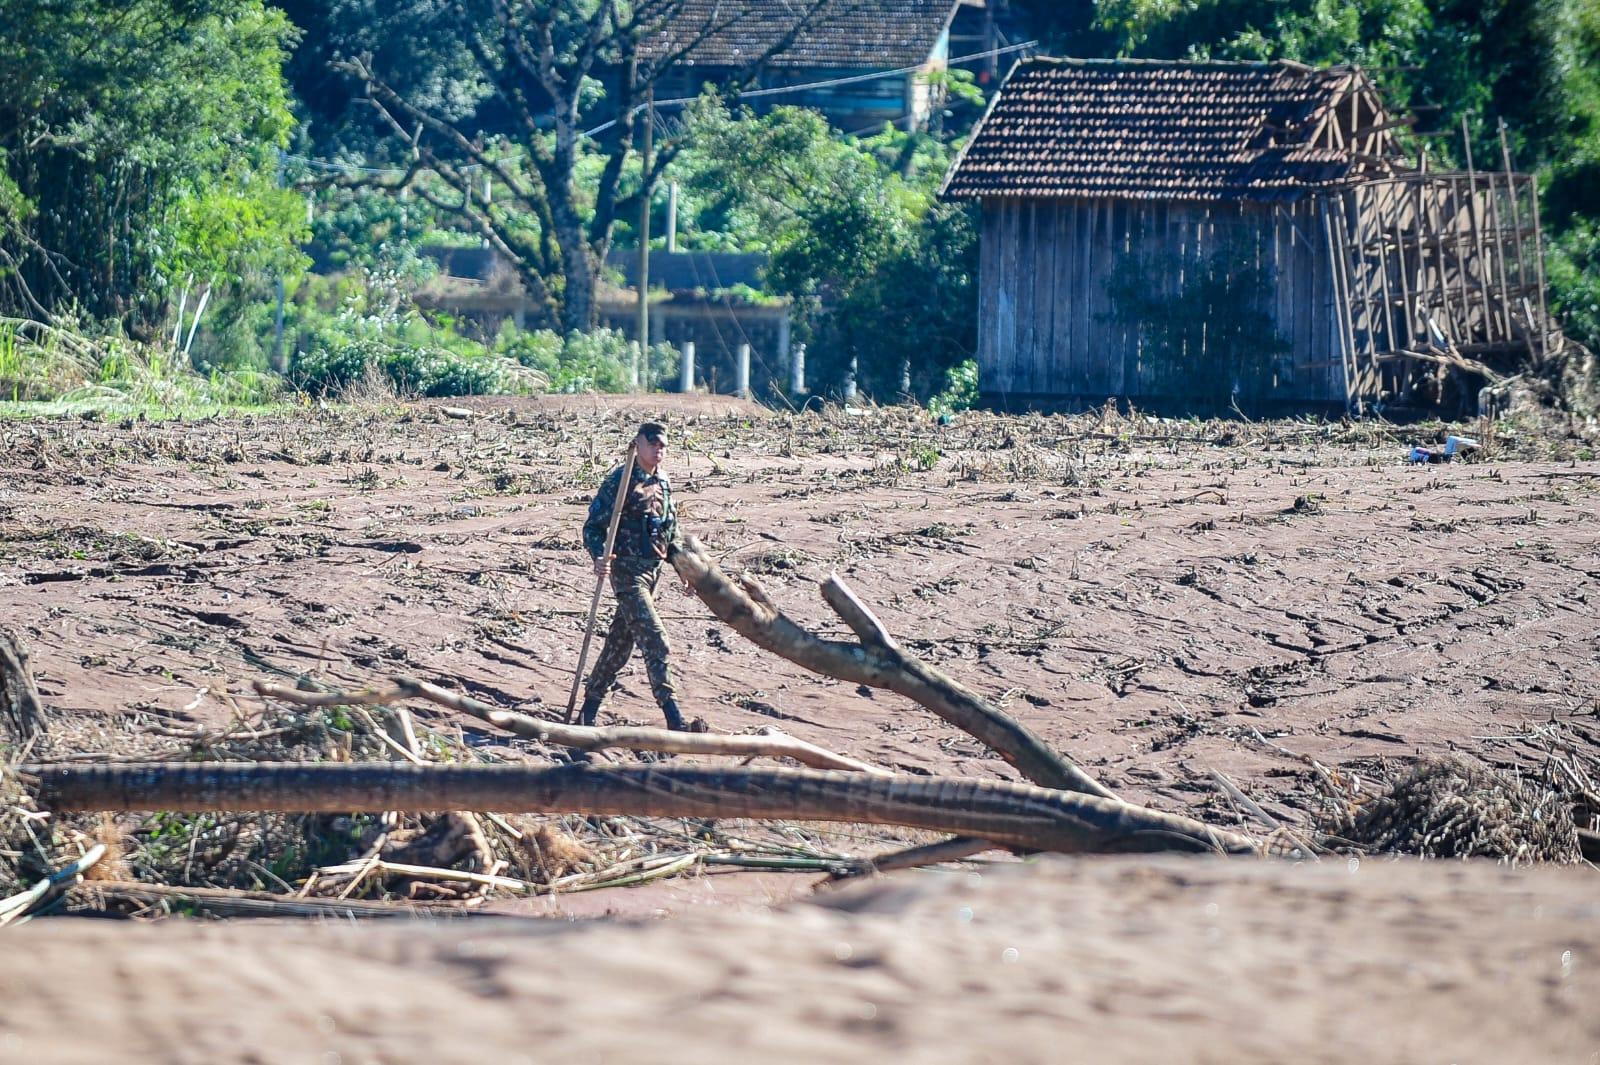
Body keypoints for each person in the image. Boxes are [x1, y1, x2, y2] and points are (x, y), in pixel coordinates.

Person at [577, 422, 703, 732]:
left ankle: (588, 709)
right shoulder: (620, 481)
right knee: (656, 639)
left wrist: (683, 568)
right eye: (653, 444)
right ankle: (673, 718)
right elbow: (593, 528)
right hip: (627, 574)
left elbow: (670, 533)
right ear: (638, 445)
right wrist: (599, 557)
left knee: (619, 644)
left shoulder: (663, 481)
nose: (659, 450)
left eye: (663, 445)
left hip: (653, 572)